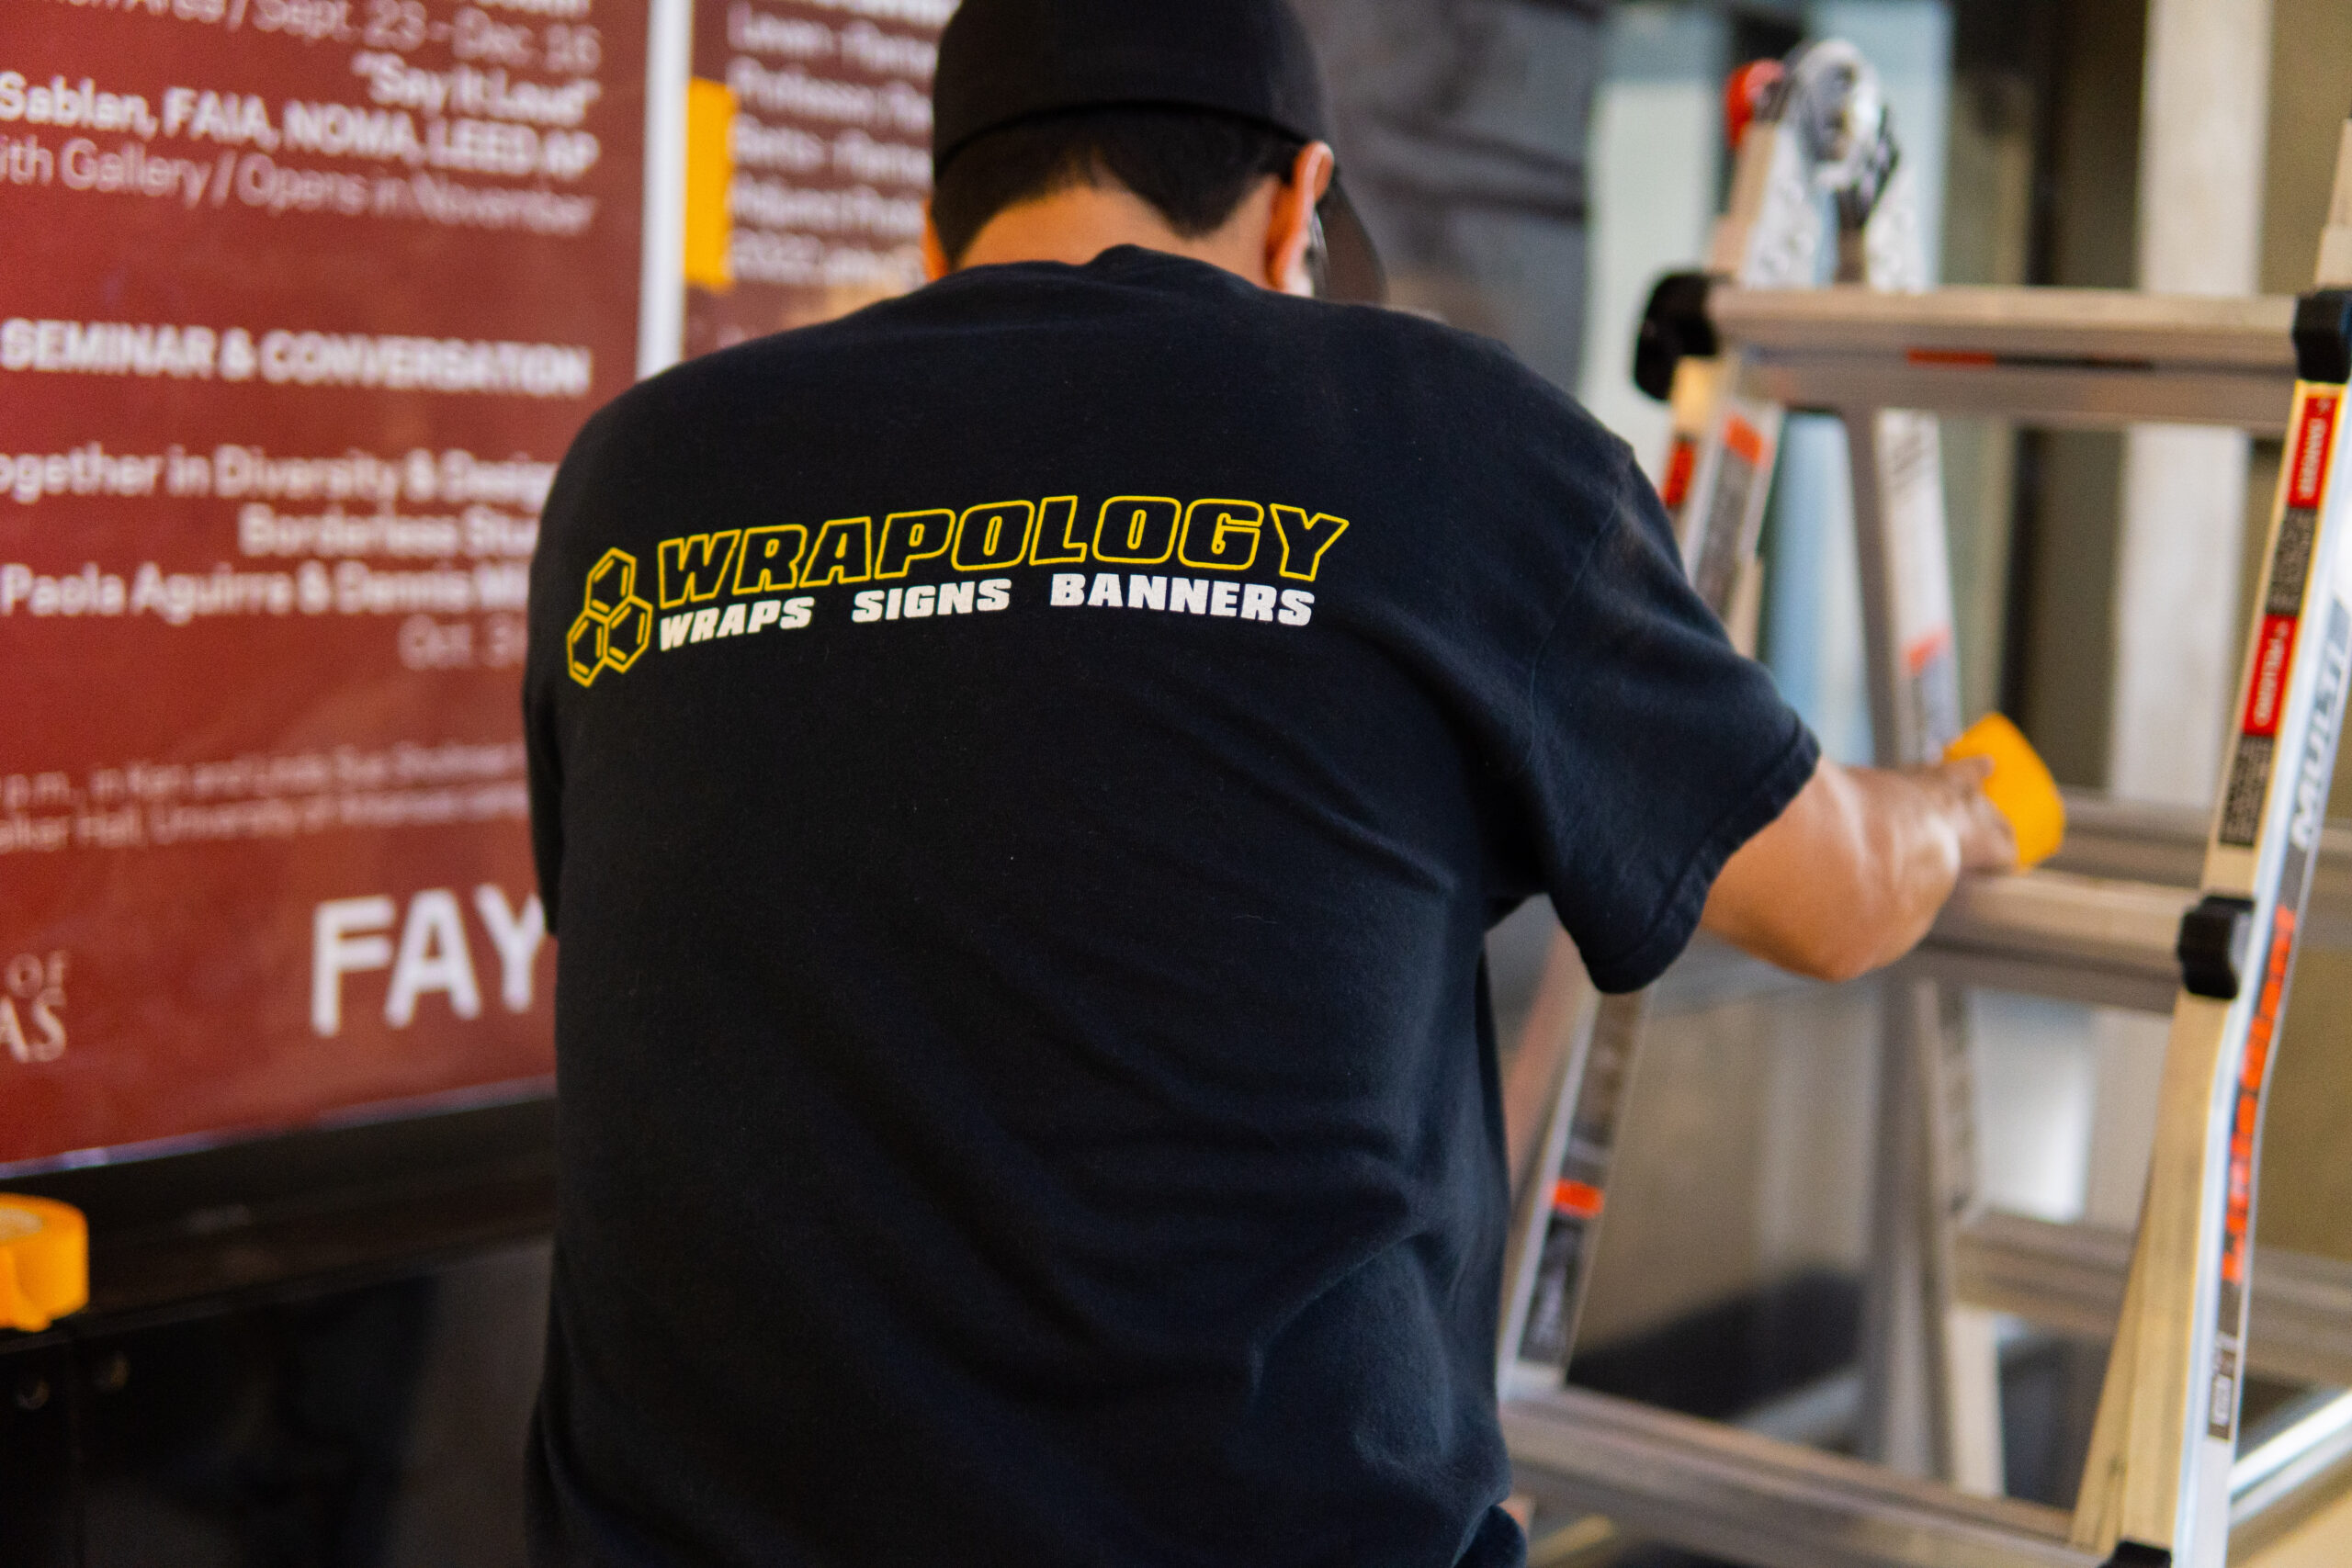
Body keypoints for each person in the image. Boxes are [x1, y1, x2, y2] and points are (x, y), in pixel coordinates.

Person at [520, 3, 2017, 1563]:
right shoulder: (1441, 437)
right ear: (1302, 203)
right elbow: (1834, 899)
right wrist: (1958, 808)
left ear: (934, 225)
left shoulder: (636, 480)